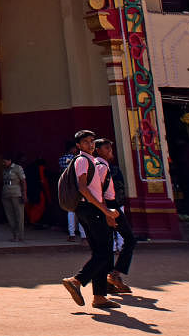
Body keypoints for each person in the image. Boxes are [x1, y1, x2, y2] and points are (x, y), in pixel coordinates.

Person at [60, 129, 121, 310]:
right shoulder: (82, 160)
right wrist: (104, 210)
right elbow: (84, 189)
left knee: (101, 252)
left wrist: (105, 212)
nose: (91, 144)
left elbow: (97, 190)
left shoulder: (92, 161)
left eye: (92, 141)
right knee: (104, 253)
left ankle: (100, 296)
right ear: (78, 146)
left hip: (93, 209)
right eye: (86, 142)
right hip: (90, 209)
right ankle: (76, 280)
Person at [94, 138, 135, 294]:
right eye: (107, 148)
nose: (110, 152)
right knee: (130, 239)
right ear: (98, 150)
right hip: (109, 206)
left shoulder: (99, 165)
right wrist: (108, 214)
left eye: (110, 148)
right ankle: (115, 274)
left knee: (109, 242)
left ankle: (110, 279)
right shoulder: (102, 166)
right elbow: (99, 191)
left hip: (106, 206)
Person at [58, 140, 87, 241]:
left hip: (67, 187)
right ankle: (83, 236)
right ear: (72, 148)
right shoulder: (77, 159)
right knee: (81, 211)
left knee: (70, 211)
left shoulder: (61, 159)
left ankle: (72, 234)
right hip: (78, 186)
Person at [0, 152, 27, 242]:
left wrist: (24, 194)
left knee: (19, 215)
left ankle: (20, 235)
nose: (3, 163)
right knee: (10, 216)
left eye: (5, 161)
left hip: (16, 193)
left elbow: (23, 181)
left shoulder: (17, 168)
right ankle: (14, 235)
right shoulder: (4, 170)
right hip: (6, 194)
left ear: (10, 160)